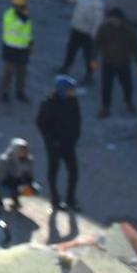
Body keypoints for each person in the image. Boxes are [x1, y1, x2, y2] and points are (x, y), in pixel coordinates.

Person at [36, 75, 82, 210]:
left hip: (68, 143)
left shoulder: (73, 101)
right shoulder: (49, 103)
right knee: (53, 171)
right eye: (70, 89)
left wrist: (75, 137)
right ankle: (55, 200)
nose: (73, 92)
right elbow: (41, 123)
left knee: (73, 172)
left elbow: (77, 120)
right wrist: (51, 140)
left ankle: (70, 199)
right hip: (54, 145)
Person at [95, 8, 137, 118]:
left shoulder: (129, 31)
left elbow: (136, 49)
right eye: (111, 18)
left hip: (123, 63)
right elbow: (97, 43)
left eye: (115, 18)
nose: (112, 21)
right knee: (106, 86)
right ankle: (105, 108)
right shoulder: (104, 28)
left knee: (127, 85)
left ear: (121, 19)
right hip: (108, 63)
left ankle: (128, 102)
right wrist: (93, 58)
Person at [60, 0, 103, 82]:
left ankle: (89, 76)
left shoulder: (98, 3)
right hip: (76, 30)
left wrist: (95, 36)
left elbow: (98, 21)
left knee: (89, 56)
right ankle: (65, 68)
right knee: (70, 51)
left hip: (88, 34)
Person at [0, 0, 34, 103]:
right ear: (14, 6)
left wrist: (31, 44)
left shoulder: (25, 16)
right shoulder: (8, 15)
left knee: (22, 72)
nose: (21, 8)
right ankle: (4, 92)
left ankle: (20, 92)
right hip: (11, 48)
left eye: (23, 6)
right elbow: (14, 28)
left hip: (23, 49)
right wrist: (22, 19)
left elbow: (28, 32)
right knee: (8, 73)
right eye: (20, 7)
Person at [0, 138, 35, 210]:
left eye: (25, 150)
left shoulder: (28, 160)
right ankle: (0, 198)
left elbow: (29, 175)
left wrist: (25, 182)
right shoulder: (4, 160)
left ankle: (15, 197)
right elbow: (2, 178)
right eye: (21, 150)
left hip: (18, 181)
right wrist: (16, 183)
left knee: (32, 189)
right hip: (5, 181)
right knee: (7, 190)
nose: (24, 152)